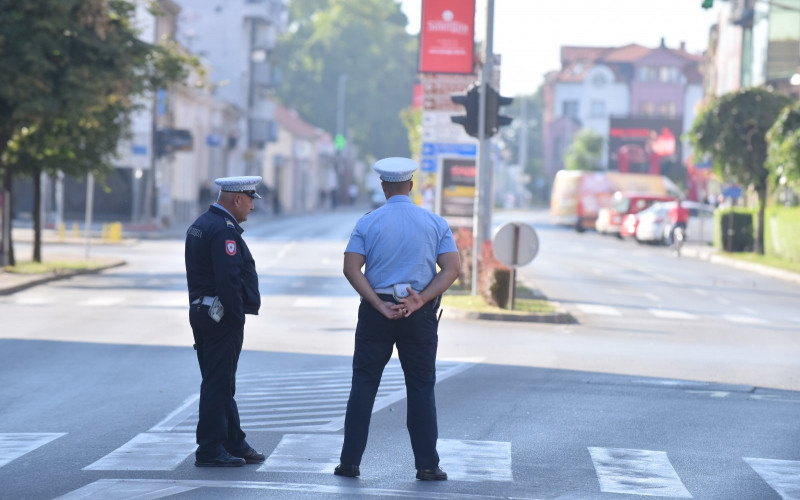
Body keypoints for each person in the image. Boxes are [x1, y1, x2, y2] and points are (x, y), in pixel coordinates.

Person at [334, 157, 461, 481]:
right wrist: (422, 298)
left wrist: (377, 303)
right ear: (411, 185)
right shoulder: (434, 222)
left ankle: (349, 463)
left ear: (383, 186)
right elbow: (452, 268)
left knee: (363, 384)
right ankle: (427, 465)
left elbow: (351, 267)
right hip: (418, 313)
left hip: (377, 313)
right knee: (420, 387)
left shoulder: (368, 222)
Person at [185, 176, 265, 467]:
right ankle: (209, 448)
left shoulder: (202, 223)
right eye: (251, 200)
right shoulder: (223, 230)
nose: (252, 208)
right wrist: (235, 317)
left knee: (221, 382)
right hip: (220, 317)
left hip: (202, 311)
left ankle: (234, 441)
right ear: (237, 200)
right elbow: (228, 280)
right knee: (218, 383)